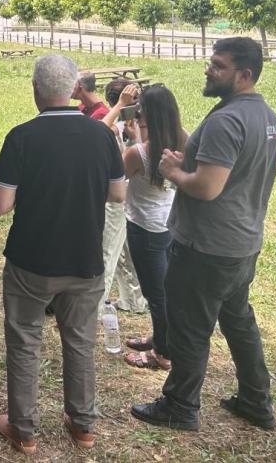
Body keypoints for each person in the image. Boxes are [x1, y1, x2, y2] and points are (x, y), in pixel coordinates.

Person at [133, 38, 276, 432]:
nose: (208, 69)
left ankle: (180, 407)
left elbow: (207, 188)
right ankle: (256, 401)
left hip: (206, 247)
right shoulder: (267, 118)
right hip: (243, 244)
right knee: (239, 323)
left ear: (244, 75)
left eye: (218, 65)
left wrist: (174, 173)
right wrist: (191, 163)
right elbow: (234, 173)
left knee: (189, 328)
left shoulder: (225, 120)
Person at [0, 55, 125, 455]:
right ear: (73, 90)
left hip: (31, 261)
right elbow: (118, 194)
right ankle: (83, 425)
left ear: (35, 90)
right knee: (81, 342)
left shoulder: (21, 137)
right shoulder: (101, 135)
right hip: (85, 259)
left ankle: (24, 430)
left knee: (25, 342)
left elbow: (0, 206)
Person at [109, 84, 187, 371]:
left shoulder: (137, 153)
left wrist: (130, 140)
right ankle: (160, 338)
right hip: (170, 225)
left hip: (144, 229)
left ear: (147, 115)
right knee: (166, 289)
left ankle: (163, 354)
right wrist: (138, 136)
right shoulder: (184, 140)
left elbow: (114, 181)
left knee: (156, 295)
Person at [98, 79, 147, 314]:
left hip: (125, 197)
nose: (137, 107)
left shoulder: (131, 125)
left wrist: (121, 108)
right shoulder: (120, 124)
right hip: (122, 197)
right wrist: (120, 106)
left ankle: (124, 301)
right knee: (117, 250)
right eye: (133, 102)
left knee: (117, 250)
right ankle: (118, 301)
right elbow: (99, 132)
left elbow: (97, 130)